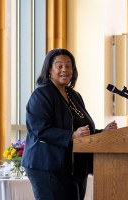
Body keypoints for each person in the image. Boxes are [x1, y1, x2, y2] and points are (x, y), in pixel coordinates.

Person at [21, 48, 117, 200]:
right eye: (59, 66)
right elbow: (39, 129)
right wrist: (71, 136)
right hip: (49, 167)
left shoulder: (74, 95)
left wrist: (101, 133)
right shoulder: (42, 94)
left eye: (68, 65)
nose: (64, 69)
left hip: (76, 167)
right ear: (49, 70)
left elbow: (82, 130)